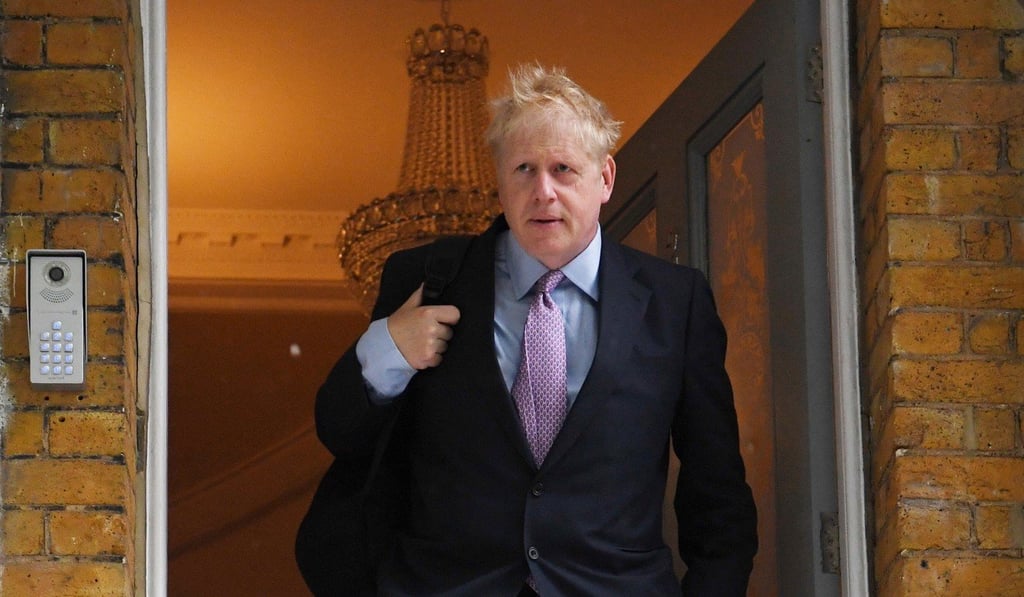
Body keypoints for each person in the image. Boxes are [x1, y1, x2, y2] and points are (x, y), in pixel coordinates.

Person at [314, 63, 757, 595]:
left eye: (563, 169)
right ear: (500, 181)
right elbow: (337, 429)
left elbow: (718, 494)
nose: (543, 191)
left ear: (605, 179)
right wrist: (390, 348)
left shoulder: (674, 301)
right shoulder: (427, 280)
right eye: (524, 168)